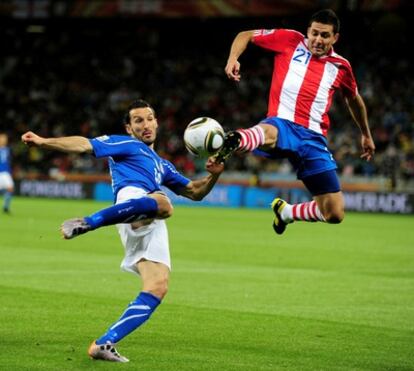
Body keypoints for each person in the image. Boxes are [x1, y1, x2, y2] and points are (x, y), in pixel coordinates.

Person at [21, 99, 224, 363]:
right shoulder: (125, 144)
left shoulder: (162, 164)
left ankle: (104, 343)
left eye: (149, 118)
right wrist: (43, 141)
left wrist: (215, 175)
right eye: (138, 120)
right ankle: (90, 221)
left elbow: (195, 192)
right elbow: (85, 144)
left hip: (148, 216)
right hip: (132, 198)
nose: (146, 124)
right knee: (165, 204)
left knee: (157, 286)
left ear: (157, 122)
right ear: (129, 128)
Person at [216, 8, 375, 234]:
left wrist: (366, 134)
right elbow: (246, 35)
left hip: (313, 139)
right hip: (283, 122)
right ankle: (237, 139)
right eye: (314, 33)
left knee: (334, 212)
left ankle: (287, 213)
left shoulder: (342, 66)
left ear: (335, 38)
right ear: (307, 31)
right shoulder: (289, 39)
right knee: (270, 131)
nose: (318, 40)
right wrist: (233, 58)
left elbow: (355, 101)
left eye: (325, 35)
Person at [0, 132, 14, 213]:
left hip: (5, 173)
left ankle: (5, 207)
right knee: (10, 188)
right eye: (2, 138)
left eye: (5, 138)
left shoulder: (7, 149)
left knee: (10, 188)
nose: (4, 140)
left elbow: (8, 162)